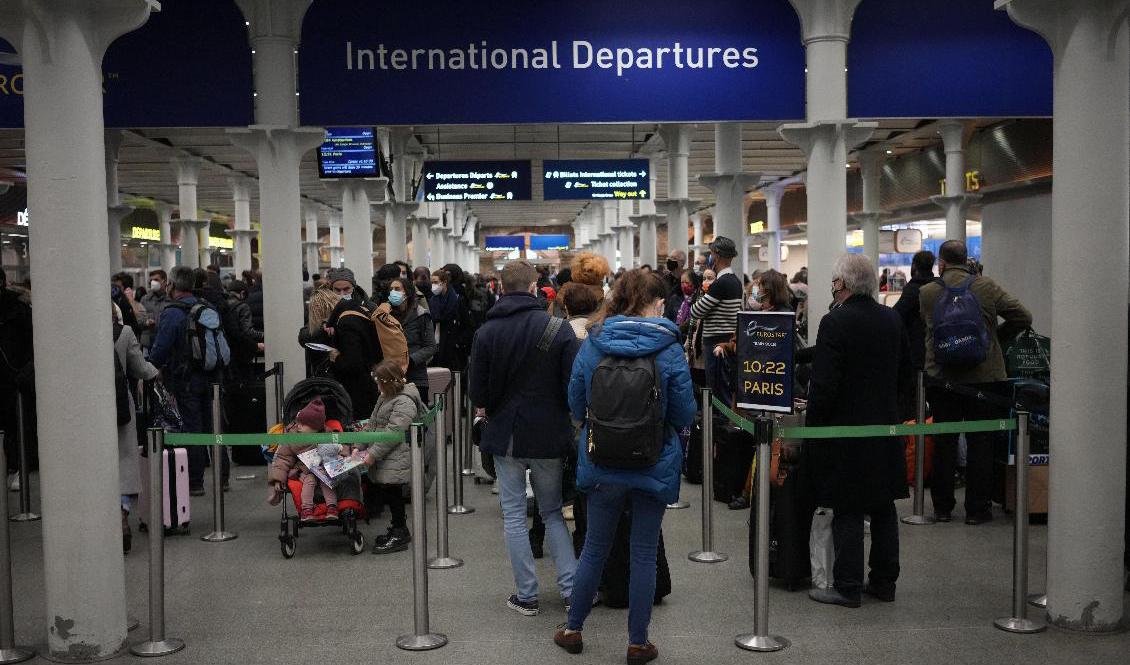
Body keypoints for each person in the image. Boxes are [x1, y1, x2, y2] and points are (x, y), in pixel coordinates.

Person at [554, 270, 695, 664]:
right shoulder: (669, 349)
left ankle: (573, 629)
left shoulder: (594, 342)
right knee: (643, 552)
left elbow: (575, 402)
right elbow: (684, 413)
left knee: (594, 548)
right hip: (652, 460)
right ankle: (637, 642)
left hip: (603, 459)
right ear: (656, 304)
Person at [468, 260, 578, 617]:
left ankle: (527, 595)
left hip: (507, 435)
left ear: (501, 287)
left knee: (514, 515)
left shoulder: (486, 332)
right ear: (534, 288)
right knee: (552, 512)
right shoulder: (559, 329)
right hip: (549, 434)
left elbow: (477, 394)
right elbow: (572, 389)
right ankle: (571, 591)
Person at [806, 254, 912, 608]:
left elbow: (824, 384)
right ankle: (884, 582)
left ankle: (847, 585)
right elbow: (906, 373)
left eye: (834, 281)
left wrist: (813, 428)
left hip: (845, 429)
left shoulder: (835, 321)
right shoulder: (892, 318)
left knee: (847, 505)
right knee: (883, 505)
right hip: (885, 426)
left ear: (842, 284)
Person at [919, 240, 1032, 524]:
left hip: (942, 379)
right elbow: (1024, 316)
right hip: (984, 378)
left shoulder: (927, 293)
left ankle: (942, 508)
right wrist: (994, 338)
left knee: (944, 442)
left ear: (941, 263)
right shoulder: (985, 287)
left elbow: (930, 331)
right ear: (966, 259)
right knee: (981, 442)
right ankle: (977, 509)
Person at [149, 266, 225, 496]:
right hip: (212, 377)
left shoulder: (172, 312)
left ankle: (195, 481)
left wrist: (151, 366)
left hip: (186, 380)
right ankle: (223, 478)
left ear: (172, 285)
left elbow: (161, 349)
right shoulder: (207, 307)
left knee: (193, 429)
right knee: (215, 427)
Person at [361, 359, 426, 554]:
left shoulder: (404, 401)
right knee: (391, 493)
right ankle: (398, 527)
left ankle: (399, 531)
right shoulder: (386, 397)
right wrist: (358, 445)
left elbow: (392, 433)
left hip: (395, 456)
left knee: (394, 493)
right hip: (387, 455)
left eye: (379, 382)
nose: (377, 386)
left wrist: (372, 454)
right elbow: (372, 423)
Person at [112, 302, 159, 553]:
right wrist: (156, 373)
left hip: (87, 410)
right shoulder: (124, 332)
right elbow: (140, 368)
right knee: (123, 461)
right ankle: (121, 517)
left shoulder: (80, 334)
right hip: (119, 405)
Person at [690, 236, 742, 407]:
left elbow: (695, 311)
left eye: (711, 253)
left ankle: (721, 422)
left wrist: (702, 296)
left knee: (718, 391)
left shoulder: (721, 284)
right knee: (724, 388)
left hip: (715, 343)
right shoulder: (735, 281)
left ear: (717, 255)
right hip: (728, 340)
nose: (710, 257)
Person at [323, 267, 381, 418]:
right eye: (337, 290)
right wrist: (322, 329)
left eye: (346, 289)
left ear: (354, 287)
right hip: (342, 379)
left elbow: (355, 359)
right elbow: (305, 335)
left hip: (359, 377)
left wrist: (336, 357)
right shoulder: (325, 307)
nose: (342, 294)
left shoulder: (368, 307)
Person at [375, 264, 436, 401]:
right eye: (391, 289)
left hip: (416, 377)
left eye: (397, 289)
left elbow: (430, 346)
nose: (393, 292)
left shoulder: (421, 315)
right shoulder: (384, 315)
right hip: (390, 377)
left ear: (407, 293)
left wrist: (410, 360)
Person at [0, 268, 34, 490]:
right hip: (10, 376)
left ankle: (18, 466)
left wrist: (24, 373)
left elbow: (31, 344)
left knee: (17, 426)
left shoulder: (19, 310)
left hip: (15, 379)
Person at [892, 250, 935, 372]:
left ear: (914, 266)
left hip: (917, 345)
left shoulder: (913, 289)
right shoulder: (937, 286)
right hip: (936, 343)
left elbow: (897, 313)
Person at [222, 280, 264, 382]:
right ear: (242, 293)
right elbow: (248, 331)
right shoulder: (243, 307)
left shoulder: (222, 305)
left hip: (227, 350)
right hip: (241, 352)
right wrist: (263, 335)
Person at [429, 268, 462, 370]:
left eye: (436, 282)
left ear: (444, 282)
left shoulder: (455, 299)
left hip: (451, 341)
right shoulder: (433, 299)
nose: (433, 285)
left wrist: (459, 342)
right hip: (437, 338)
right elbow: (434, 319)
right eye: (432, 282)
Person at [141, 269, 173, 348]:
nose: (153, 283)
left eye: (156, 280)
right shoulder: (145, 299)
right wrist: (146, 322)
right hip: (148, 343)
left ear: (164, 282)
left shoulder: (171, 300)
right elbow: (138, 319)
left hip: (165, 343)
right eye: (151, 280)